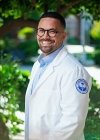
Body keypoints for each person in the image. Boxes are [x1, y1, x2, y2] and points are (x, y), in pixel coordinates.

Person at [25, 11, 92, 140]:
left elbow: (73, 121)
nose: (45, 36)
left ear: (63, 36)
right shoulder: (38, 64)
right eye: (41, 30)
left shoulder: (74, 71)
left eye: (52, 31)